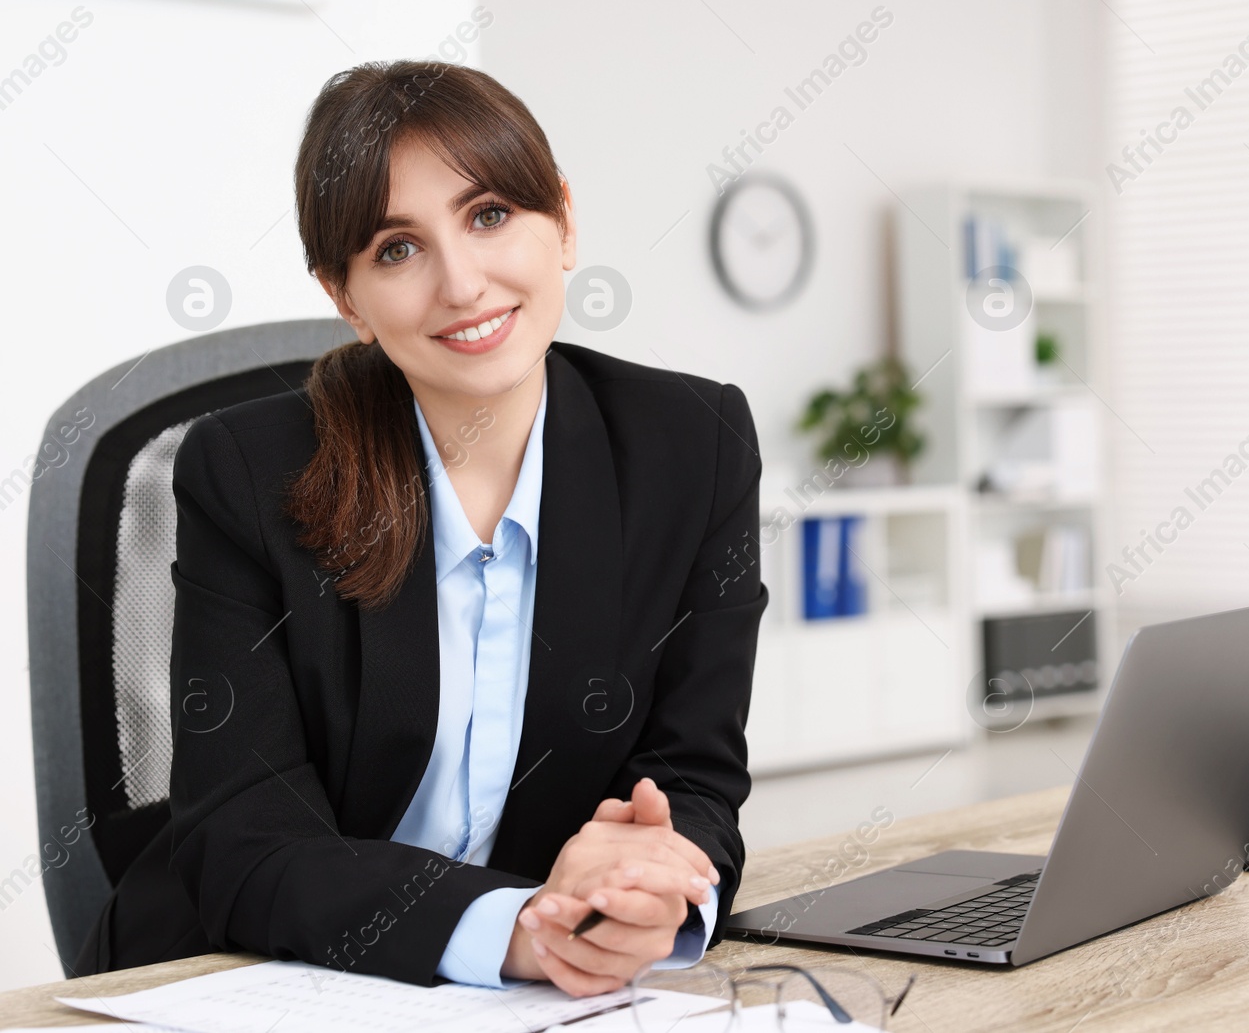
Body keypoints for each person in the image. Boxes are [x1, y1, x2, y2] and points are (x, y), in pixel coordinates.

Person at [75, 60, 767, 997]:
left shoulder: (694, 446)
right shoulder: (245, 472)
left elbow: (695, 773)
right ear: (345, 294)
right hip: (246, 975)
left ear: (561, 219)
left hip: (536, 1001)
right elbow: (245, 837)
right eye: (397, 249)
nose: (462, 283)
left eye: (489, 216)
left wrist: (653, 888)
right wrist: (511, 929)